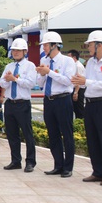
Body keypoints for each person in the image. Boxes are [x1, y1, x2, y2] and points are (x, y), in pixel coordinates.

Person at [72, 30, 102, 186]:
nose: (88, 47)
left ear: (99, 45)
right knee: (92, 139)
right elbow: (87, 81)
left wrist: (86, 82)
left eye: (91, 44)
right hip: (91, 103)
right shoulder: (91, 62)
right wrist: (80, 82)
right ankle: (98, 172)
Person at [36, 31, 76, 178]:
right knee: (52, 134)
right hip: (49, 100)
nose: (44, 48)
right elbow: (40, 84)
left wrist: (49, 72)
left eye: (46, 45)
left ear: (55, 45)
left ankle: (68, 167)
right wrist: (41, 74)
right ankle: (58, 165)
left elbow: (68, 80)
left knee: (66, 133)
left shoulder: (67, 61)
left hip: (63, 99)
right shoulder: (45, 61)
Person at [0, 38, 37, 173]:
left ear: (25, 51)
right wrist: (8, 80)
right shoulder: (9, 66)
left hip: (22, 103)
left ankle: (30, 162)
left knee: (27, 133)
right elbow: (2, 83)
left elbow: (31, 84)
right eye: (14, 50)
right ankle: (15, 160)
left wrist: (15, 79)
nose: (15, 52)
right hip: (10, 103)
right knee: (12, 133)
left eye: (18, 50)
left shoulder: (30, 66)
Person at [68, 49, 86, 119]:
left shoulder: (78, 66)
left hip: (79, 90)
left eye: (69, 56)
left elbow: (78, 80)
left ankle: (81, 124)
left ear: (74, 57)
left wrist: (76, 92)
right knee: (75, 108)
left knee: (79, 109)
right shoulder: (74, 65)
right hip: (76, 89)